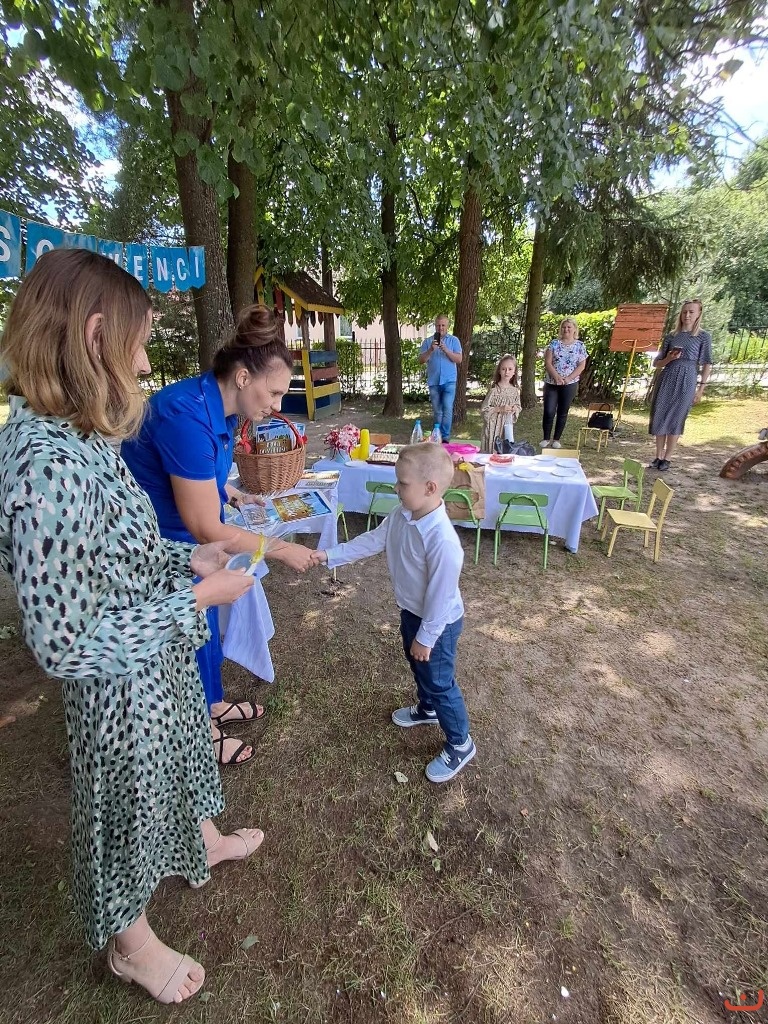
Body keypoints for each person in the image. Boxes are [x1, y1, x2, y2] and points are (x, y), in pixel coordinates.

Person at [0, 248, 264, 1004]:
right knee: (123, 806)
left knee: (183, 751)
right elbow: (64, 642)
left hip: (156, 653)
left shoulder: (82, 434)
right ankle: (132, 945)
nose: (146, 362)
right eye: (139, 343)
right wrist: (197, 600)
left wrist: (188, 560)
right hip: (115, 685)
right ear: (94, 338)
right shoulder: (40, 465)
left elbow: (122, 547)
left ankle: (200, 842)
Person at [122, 304, 314, 767]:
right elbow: (204, 527)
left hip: (191, 548)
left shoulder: (224, 413)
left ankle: (211, 704)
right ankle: (201, 733)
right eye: (273, 392)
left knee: (205, 630)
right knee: (186, 640)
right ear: (243, 377)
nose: (276, 406)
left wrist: (230, 493)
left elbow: (196, 476)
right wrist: (280, 548)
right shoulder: (184, 414)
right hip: (161, 549)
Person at [311, 443, 475, 783]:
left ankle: (461, 742)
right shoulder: (401, 515)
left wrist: (427, 638)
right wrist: (329, 555)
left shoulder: (443, 541)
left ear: (430, 488)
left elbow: (442, 598)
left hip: (437, 623)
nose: (396, 488)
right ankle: (427, 708)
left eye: (402, 483)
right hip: (412, 612)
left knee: (440, 681)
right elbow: (371, 541)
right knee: (417, 665)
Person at [648, 299, 712, 472]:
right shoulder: (671, 336)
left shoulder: (703, 336)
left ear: (698, 314)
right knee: (660, 414)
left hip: (688, 378)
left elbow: (707, 363)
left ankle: (667, 458)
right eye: (684, 312)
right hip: (668, 376)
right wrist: (669, 358)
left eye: (691, 312)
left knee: (677, 417)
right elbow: (657, 363)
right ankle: (658, 456)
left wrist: (701, 388)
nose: (687, 315)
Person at [541, 318, 588, 449]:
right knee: (549, 411)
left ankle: (556, 439)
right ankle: (546, 438)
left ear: (574, 329)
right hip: (552, 383)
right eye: (564, 327)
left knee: (563, 411)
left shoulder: (580, 346)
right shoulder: (554, 343)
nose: (566, 329)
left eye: (569, 327)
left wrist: (568, 378)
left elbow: (581, 365)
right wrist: (556, 377)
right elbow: (548, 362)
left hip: (570, 384)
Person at [418, 314, 463, 442]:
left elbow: (459, 359)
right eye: (438, 325)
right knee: (438, 411)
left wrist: (446, 350)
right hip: (434, 381)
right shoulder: (428, 342)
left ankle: (445, 438)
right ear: (435, 326)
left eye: (443, 325)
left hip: (449, 381)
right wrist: (431, 350)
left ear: (447, 326)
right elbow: (421, 360)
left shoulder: (454, 340)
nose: (440, 328)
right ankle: (437, 437)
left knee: (447, 409)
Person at [480, 353, 522, 452]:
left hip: (507, 426)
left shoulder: (515, 391)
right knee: (493, 449)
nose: (507, 372)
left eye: (510, 369)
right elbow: (484, 409)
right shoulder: (494, 390)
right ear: (499, 370)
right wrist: (499, 409)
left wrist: (514, 409)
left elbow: (518, 406)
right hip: (493, 427)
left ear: (514, 371)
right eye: (503, 369)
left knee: (505, 450)